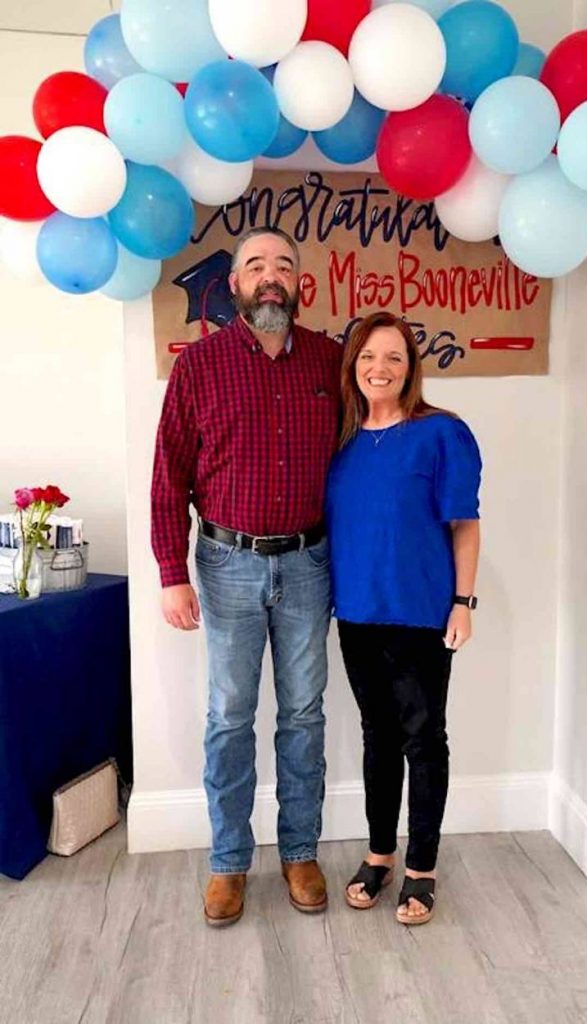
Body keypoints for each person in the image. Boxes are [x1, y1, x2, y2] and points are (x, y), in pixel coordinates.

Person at [151, 227, 342, 926]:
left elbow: (362, 458)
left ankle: (299, 852)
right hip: (226, 565)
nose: (270, 276)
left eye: (283, 265)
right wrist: (174, 573)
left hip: (309, 562)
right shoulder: (198, 367)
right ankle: (229, 864)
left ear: (299, 284)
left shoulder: (329, 358)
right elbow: (168, 478)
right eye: (255, 265)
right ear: (232, 285)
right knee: (229, 717)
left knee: (303, 715)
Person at [325, 311, 482, 926]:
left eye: (392, 357)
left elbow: (465, 526)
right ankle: (379, 854)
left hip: (422, 614)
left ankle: (422, 869)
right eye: (367, 357)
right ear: (353, 366)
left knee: (423, 738)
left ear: (411, 366)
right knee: (377, 737)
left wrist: (463, 605)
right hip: (357, 612)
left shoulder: (443, 433)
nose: (379, 368)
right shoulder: (339, 440)